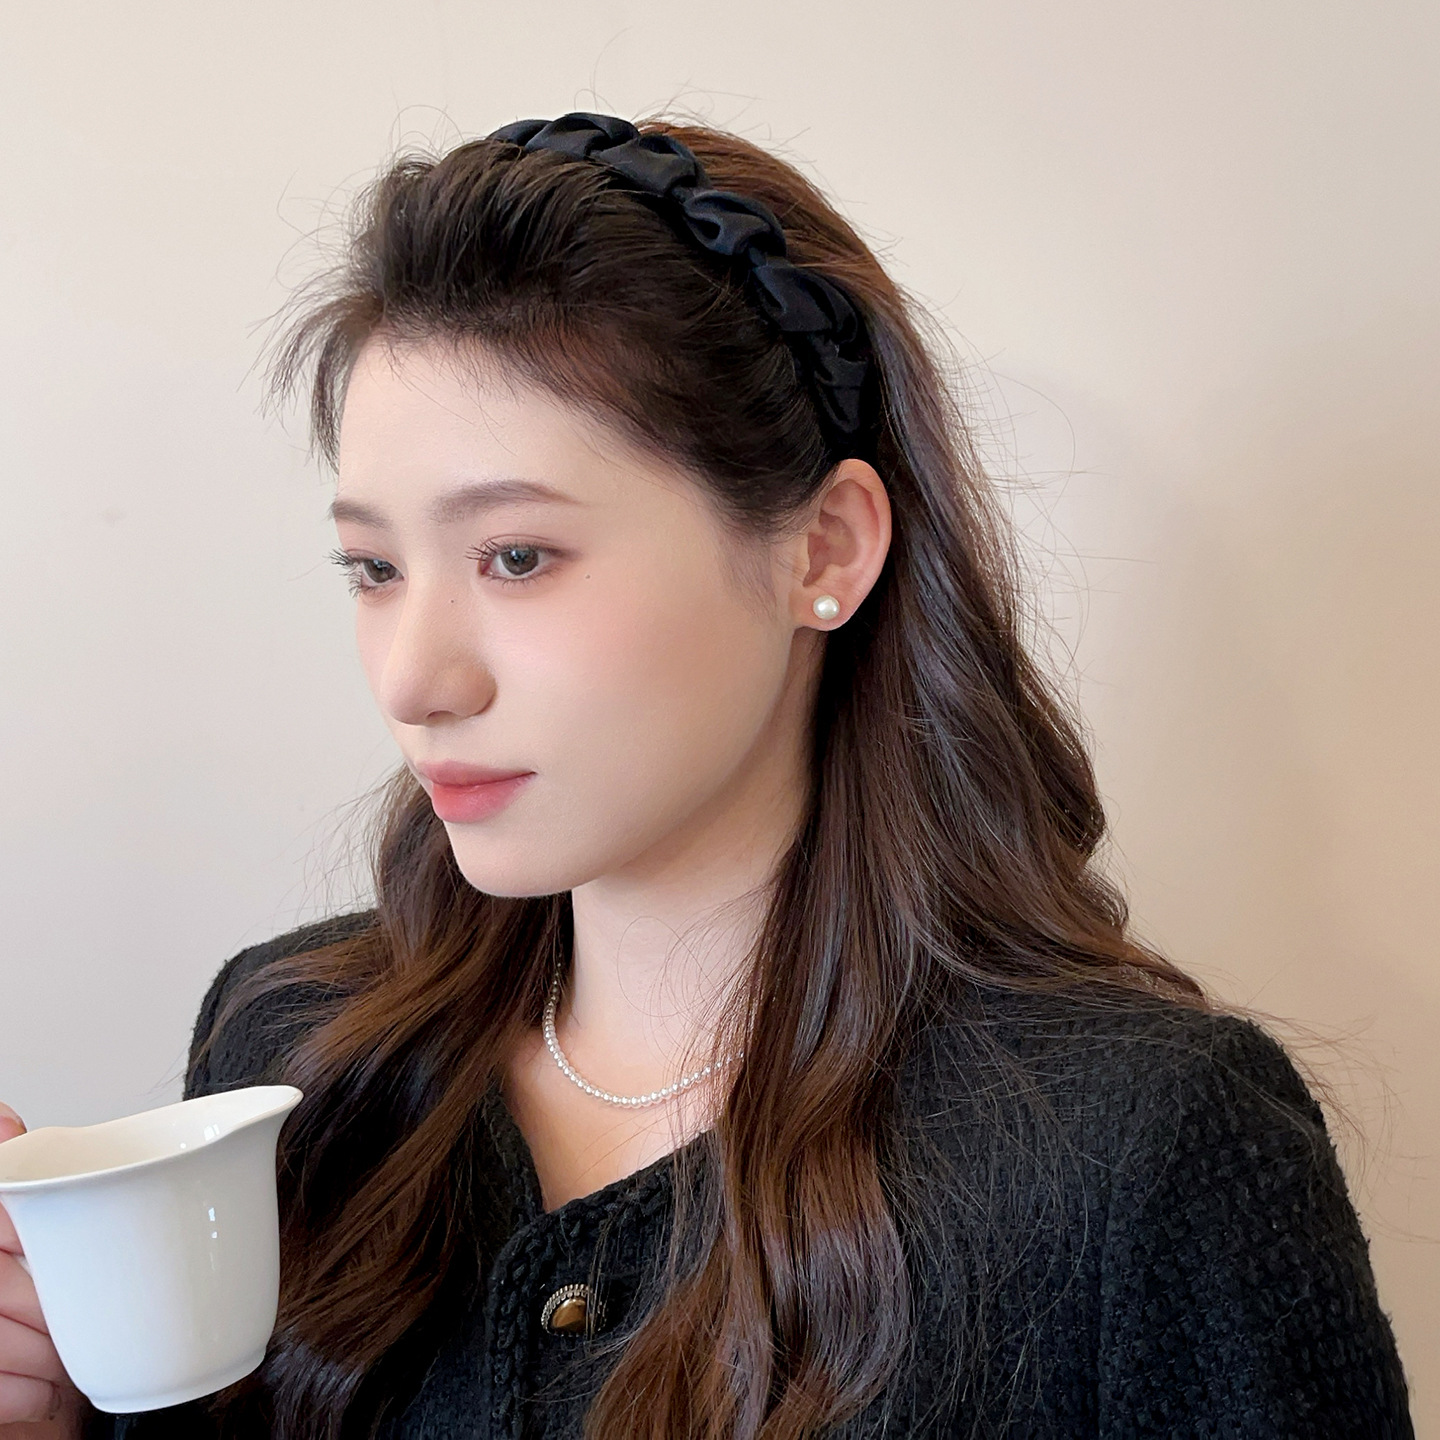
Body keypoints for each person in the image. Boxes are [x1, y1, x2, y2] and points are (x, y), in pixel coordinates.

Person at [0, 114, 1413, 1440]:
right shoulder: (297, 1056)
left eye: (517, 557)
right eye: (373, 568)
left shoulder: (1139, 1154)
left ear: (823, 551)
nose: (415, 679)